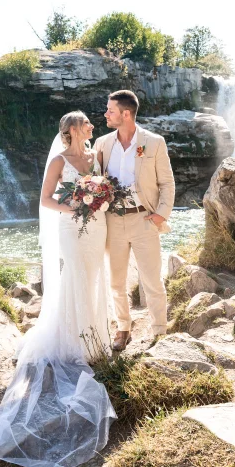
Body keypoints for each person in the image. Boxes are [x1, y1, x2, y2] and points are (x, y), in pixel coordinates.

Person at [0, 111, 116, 467]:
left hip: (98, 225)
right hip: (71, 228)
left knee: (95, 275)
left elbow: (107, 187)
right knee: (74, 275)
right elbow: (45, 200)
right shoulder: (59, 161)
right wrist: (74, 206)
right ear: (73, 129)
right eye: (87, 123)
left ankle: (98, 337)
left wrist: (99, 199)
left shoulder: (96, 156)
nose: (92, 127)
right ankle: (77, 342)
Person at [94, 90, 176, 351]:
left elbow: (167, 182)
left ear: (125, 114)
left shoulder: (154, 142)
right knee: (116, 282)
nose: (106, 114)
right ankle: (123, 329)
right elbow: (94, 180)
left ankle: (159, 332)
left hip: (144, 220)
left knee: (152, 280)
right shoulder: (102, 144)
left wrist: (161, 214)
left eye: (110, 110)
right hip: (113, 221)